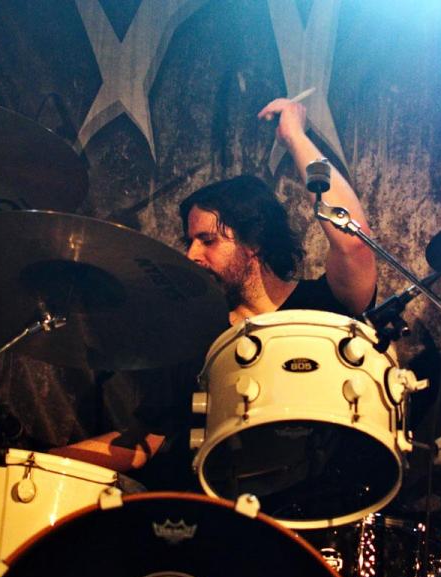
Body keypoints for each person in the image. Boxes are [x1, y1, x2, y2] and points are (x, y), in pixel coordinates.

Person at [50, 97, 378, 477]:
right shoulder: (196, 340)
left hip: (329, 497)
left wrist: (296, 138)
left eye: (207, 240)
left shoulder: (325, 305)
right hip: (225, 502)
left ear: (254, 242)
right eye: (190, 241)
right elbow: (146, 441)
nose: (191, 255)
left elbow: (353, 240)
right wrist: (37, 463)